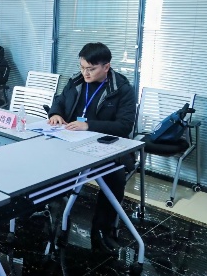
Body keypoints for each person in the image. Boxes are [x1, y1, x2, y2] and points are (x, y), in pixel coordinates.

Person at [48, 42, 136, 257]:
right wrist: (55, 113)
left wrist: (89, 126)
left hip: (106, 146)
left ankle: (103, 230)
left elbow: (124, 126)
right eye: (82, 67)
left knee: (115, 177)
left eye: (91, 69)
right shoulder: (76, 81)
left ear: (106, 67)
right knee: (48, 167)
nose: (85, 73)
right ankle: (56, 221)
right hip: (70, 142)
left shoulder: (121, 89)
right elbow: (59, 101)